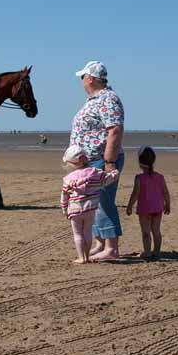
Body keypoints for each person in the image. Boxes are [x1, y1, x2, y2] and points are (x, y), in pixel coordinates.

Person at [69, 61, 125, 261]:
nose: (82, 81)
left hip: (102, 160)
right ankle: (100, 242)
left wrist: (109, 161)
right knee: (92, 203)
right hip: (90, 162)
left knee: (103, 202)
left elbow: (115, 130)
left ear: (91, 78)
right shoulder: (94, 99)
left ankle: (111, 248)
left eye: (83, 77)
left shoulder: (108, 98)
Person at [60, 144, 120, 264]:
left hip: (75, 210)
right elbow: (108, 179)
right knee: (87, 232)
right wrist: (115, 172)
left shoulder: (69, 178)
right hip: (90, 209)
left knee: (78, 234)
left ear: (71, 163)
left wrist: (64, 208)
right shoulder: (95, 172)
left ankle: (81, 257)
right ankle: (87, 256)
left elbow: (64, 194)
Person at [125, 146, 171, 259]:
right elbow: (165, 192)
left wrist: (130, 206)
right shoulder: (159, 177)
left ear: (140, 163)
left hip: (144, 209)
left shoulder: (139, 178)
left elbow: (135, 194)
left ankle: (147, 252)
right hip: (157, 207)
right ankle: (157, 251)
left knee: (146, 232)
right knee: (156, 230)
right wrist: (168, 204)